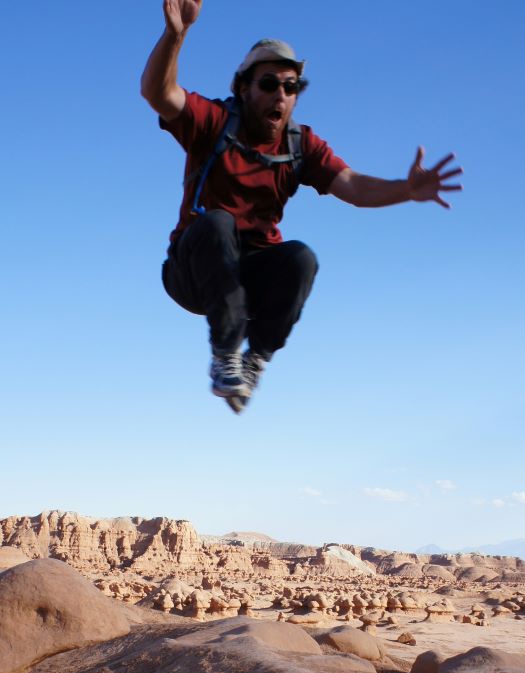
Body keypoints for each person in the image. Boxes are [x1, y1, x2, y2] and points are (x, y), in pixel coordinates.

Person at [141, 0, 463, 413]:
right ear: (244, 88)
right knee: (218, 223)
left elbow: (354, 187)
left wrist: (407, 189)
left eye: (290, 87)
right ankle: (226, 355)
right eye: (269, 83)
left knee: (300, 258)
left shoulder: (300, 145)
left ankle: (254, 360)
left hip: (249, 276)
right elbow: (158, 93)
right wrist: (176, 35)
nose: (280, 94)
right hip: (193, 269)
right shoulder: (215, 121)